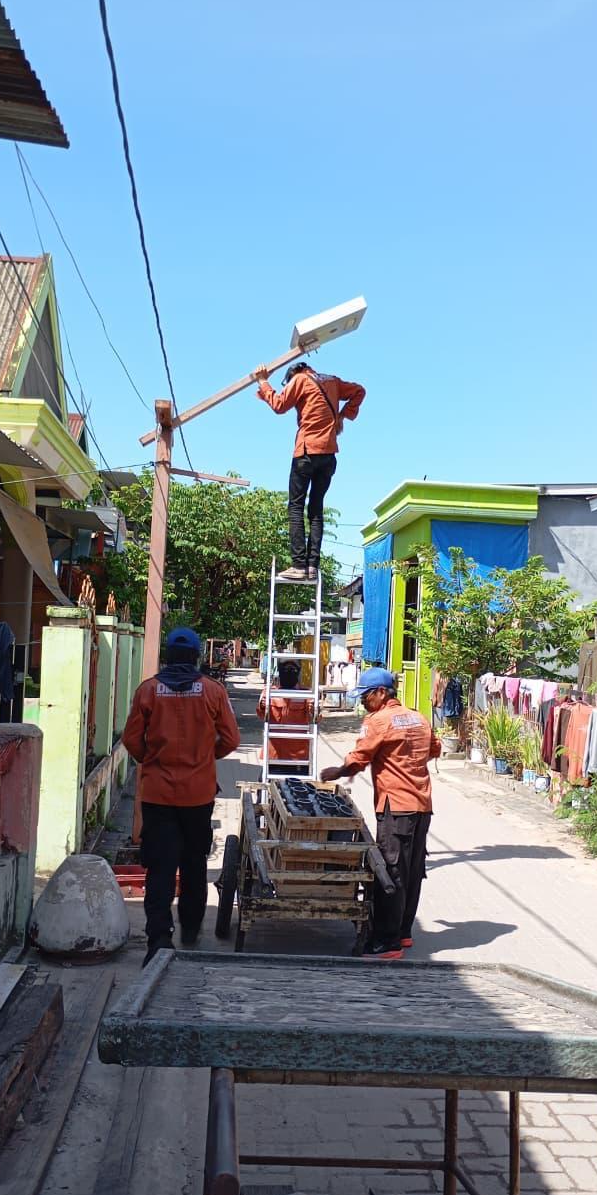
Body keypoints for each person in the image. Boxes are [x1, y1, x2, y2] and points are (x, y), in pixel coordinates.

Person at [122, 626, 240, 966]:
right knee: (194, 863)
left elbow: (131, 740)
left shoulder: (148, 690)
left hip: (157, 795)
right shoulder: (213, 691)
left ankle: (159, 939)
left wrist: (151, 760)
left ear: (168, 655)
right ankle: (189, 929)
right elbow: (231, 739)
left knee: (160, 868)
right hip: (198, 795)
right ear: (196, 657)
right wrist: (204, 757)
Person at [320, 668, 441, 960]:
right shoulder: (419, 717)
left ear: (381, 693)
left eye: (366, 696)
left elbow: (359, 757)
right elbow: (435, 749)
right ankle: (403, 932)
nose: (363, 702)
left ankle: (386, 942)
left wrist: (338, 771)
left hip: (395, 806)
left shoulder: (378, 720)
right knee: (412, 871)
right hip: (422, 805)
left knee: (391, 870)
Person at [253, 361, 365, 583]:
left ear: (293, 374)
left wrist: (263, 381)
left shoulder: (300, 380)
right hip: (329, 455)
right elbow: (359, 391)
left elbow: (279, 404)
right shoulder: (332, 381)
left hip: (306, 452)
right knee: (316, 509)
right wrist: (342, 416)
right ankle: (312, 566)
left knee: (296, 507)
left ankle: (298, 566)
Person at [256, 661, 313, 776]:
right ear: (280, 672)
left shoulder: (307, 694)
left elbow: (315, 718)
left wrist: (315, 709)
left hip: (299, 757)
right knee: (265, 784)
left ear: (298, 673)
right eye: (286, 670)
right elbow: (261, 715)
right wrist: (262, 705)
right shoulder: (269, 693)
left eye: (292, 670)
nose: (289, 673)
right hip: (275, 754)